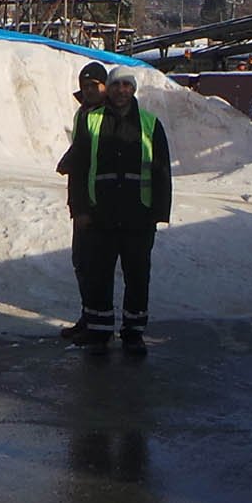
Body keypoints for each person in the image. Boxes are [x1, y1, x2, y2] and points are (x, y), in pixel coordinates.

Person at [65, 66, 172, 356]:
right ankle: (99, 332)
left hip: (139, 216)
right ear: (109, 89)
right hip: (101, 215)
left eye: (127, 85)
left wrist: (159, 212)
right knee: (99, 274)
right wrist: (80, 209)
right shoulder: (92, 120)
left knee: (137, 276)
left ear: (133, 89)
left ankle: (133, 332)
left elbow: (162, 170)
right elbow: (78, 168)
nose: (121, 90)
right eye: (116, 85)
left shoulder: (150, 123)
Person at [55, 61, 112, 341]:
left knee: (98, 266)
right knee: (82, 262)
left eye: (94, 85)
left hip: (101, 203)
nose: (89, 90)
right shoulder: (83, 113)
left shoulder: (111, 114)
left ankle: (100, 325)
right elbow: (81, 149)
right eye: (85, 86)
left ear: (105, 86)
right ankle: (88, 316)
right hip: (80, 199)